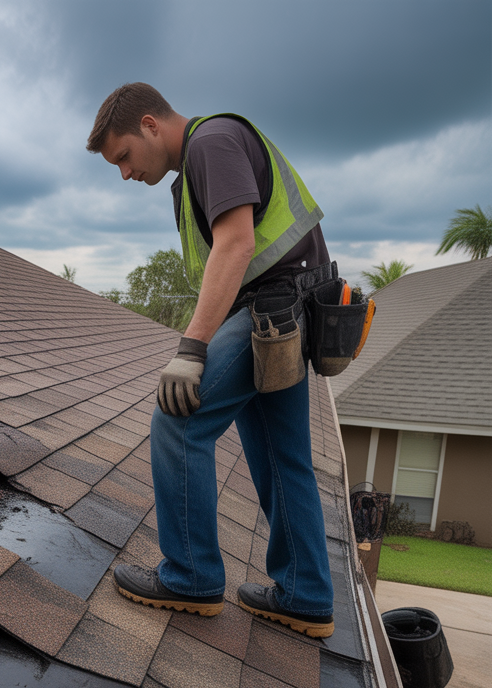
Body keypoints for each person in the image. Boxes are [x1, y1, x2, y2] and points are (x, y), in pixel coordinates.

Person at [87, 83, 335, 638]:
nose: (124, 174)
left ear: (151, 124)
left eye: (123, 156)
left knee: (178, 418)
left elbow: (236, 245)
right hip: (285, 314)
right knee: (281, 455)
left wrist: (192, 350)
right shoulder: (197, 165)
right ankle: (305, 593)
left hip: (271, 311)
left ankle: (191, 577)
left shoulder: (212, 143)